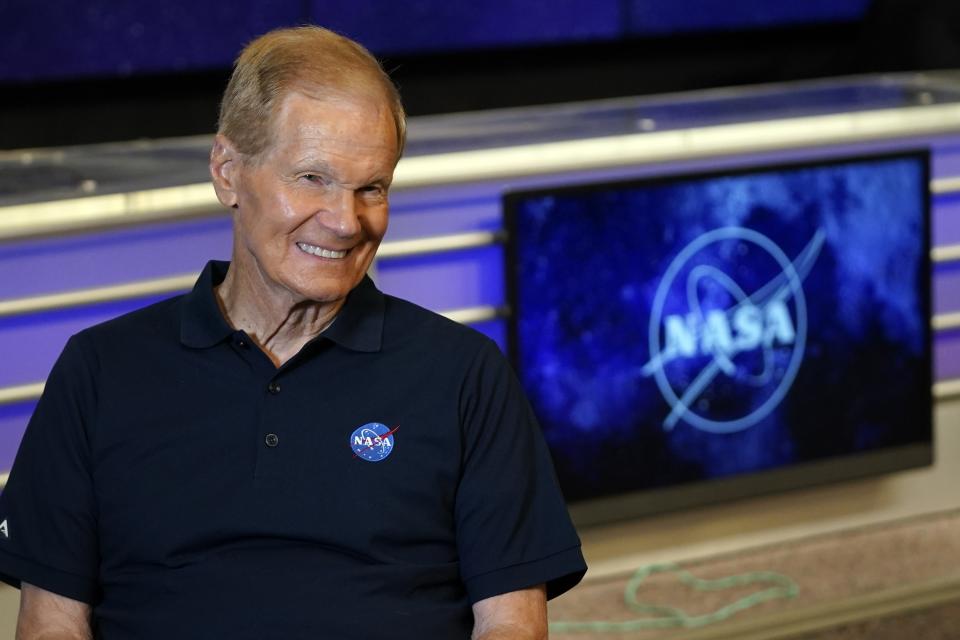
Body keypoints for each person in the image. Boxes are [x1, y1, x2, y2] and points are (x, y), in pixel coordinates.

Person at [0, 26, 586, 639]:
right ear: (227, 172)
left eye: (372, 188)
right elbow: (52, 625)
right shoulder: (100, 370)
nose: (344, 221)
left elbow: (512, 625)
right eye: (312, 178)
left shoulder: (467, 375)